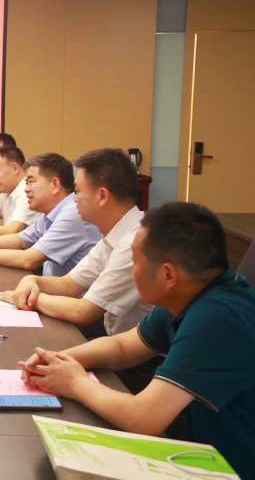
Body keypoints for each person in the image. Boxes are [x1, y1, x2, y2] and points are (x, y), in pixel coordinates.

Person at [18, 202, 255, 478]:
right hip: (205, 449)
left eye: (135, 260)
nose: (131, 268)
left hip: (232, 466)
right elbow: (122, 347)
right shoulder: (192, 294)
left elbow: (143, 418)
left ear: (167, 275)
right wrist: (60, 360)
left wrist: (73, 382)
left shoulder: (216, 318)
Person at [0, 148, 154, 338]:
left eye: (77, 192)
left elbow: (83, 312)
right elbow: (68, 284)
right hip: (115, 338)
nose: (74, 199)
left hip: (136, 352)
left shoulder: (133, 244)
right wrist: (31, 280)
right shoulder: (112, 236)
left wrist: (28, 298)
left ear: (102, 197)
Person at [0, 153, 100, 276]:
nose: (26, 189)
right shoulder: (49, 213)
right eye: (26, 183)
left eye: (31, 182)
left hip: (67, 297)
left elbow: (28, 260)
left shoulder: (72, 213)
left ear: (55, 185)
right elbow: (20, 240)